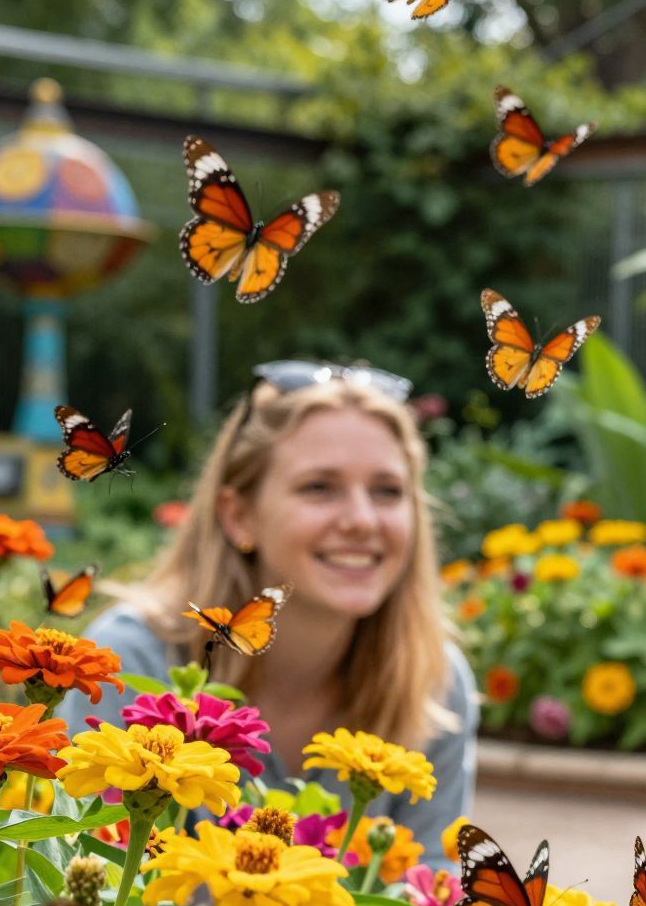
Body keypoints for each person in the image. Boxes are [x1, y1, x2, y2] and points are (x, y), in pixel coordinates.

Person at [64, 362, 477, 865]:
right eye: (319, 487)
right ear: (239, 515)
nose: (362, 520)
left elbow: (428, 902)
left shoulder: (433, 681)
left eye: (388, 491)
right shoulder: (132, 660)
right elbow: (88, 868)